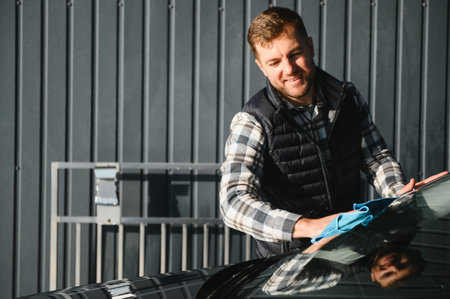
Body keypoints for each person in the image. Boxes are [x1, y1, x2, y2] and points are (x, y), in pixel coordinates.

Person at [219, 7, 406, 257]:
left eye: (295, 54)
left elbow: (376, 158)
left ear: (310, 46)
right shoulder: (252, 121)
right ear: (261, 67)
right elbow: (233, 202)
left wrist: (400, 194)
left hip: (351, 253)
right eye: (274, 62)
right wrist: (309, 226)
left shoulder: (347, 98)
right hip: (289, 267)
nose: (289, 69)